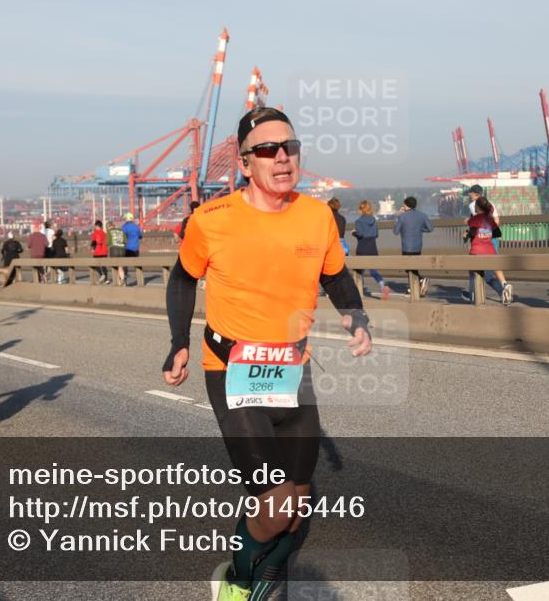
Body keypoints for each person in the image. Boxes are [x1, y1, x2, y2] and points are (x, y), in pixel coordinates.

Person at [163, 107, 371, 601]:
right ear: (244, 162)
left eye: (290, 148)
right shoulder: (212, 220)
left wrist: (354, 315)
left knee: (297, 502)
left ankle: (265, 567)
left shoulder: (317, 215)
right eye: (267, 150)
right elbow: (182, 278)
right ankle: (239, 574)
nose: (282, 158)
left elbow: (335, 274)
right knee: (277, 503)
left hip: (292, 371)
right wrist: (178, 344)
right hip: (234, 372)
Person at [461, 197, 513, 304]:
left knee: (473, 275)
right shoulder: (490, 219)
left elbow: (472, 231)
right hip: (490, 252)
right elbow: (498, 233)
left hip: (477, 251)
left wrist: (466, 233)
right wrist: (486, 235)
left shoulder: (476, 218)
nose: (474, 207)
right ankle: (503, 291)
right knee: (489, 277)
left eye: (475, 205)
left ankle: (473, 296)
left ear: (478, 207)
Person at [393, 196, 434, 296]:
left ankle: (421, 280)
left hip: (407, 246)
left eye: (404, 204)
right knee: (414, 267)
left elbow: (395, 231)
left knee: (408, 268)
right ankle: (413, 288)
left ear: (406, 206)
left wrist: (398, 216)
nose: (403, 206)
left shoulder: (402, 216)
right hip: (418, 246)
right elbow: (430, 228)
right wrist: (420, 229)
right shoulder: (422, 215)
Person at [352, 200, 390, 300]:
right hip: (372, 247)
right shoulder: (373, 220)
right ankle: (383, 286)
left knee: (360, 271)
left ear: (361, 209)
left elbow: (360, 234)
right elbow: (376, 234)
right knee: (373, 271)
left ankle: (359, 293)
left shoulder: (358, 221)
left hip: (362, 247)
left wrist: (354, 233)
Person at [121, 212, 143, 286]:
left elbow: (121, 237)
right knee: (137, 265)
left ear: (127, 219)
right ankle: (140, 281)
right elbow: (140, 236)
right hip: (135, 248)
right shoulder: (136, 227)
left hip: (127, 248)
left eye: (125, 219)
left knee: (124, 265)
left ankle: (125, 281)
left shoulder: (124, 227)